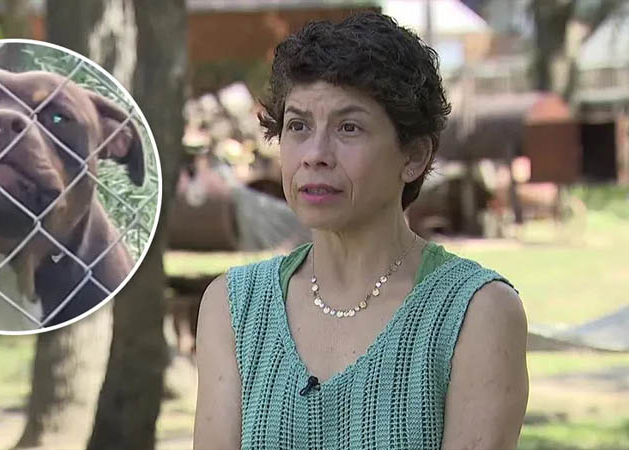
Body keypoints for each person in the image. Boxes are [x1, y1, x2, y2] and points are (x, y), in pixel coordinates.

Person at [193, 11, 528, 450]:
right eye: (298, 126)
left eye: (348, 127)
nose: (315, 155)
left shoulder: (476, 313)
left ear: (414, 156)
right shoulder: (234, 308)